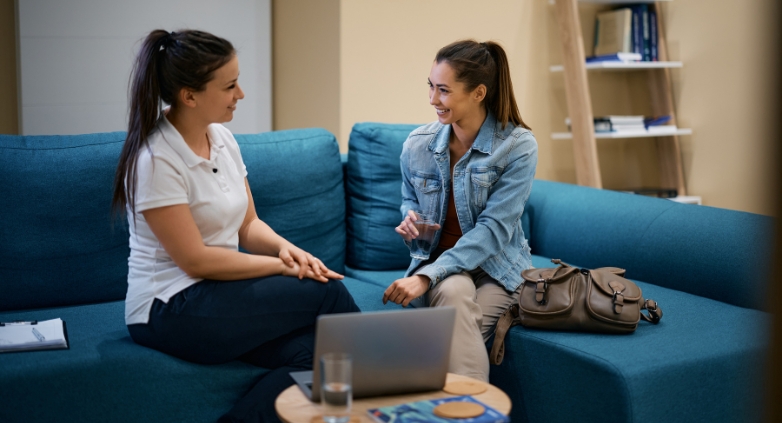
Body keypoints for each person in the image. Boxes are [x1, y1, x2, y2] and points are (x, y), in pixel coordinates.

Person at [111, 29, 359, 423]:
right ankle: (381, 389)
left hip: (215, 295)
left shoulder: (222, 138)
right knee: (325, 293)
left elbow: (247, 224)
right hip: (168, 309)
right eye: (229, 86)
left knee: (320, 355)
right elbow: (196, 262)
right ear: (189, 95)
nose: (241, 94)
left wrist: (285, 249)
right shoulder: (156, 160)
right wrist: (282, 267)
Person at [384, 40, 538, 382]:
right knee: (453, 292)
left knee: (444, 335)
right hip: (442, 265)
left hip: (497, 269)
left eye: (443, 90)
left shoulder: (517, 147)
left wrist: (425, 278)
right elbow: (409, 199)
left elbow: (495, 229)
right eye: (431, 86)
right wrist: (412, 220)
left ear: (478, 93)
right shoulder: (417, 145)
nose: (432, 99)